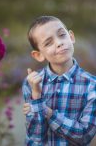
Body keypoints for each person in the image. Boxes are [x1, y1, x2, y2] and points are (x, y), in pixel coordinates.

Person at [22, 15, 96, 146]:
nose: (59, 42)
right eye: (48, 42)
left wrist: (46, 111)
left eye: (62, 35)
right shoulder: (31, 84)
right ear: (38, 55)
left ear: (71, 37)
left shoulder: (91, 85)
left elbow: (84, 135)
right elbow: (35, 136)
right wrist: (36, 95)